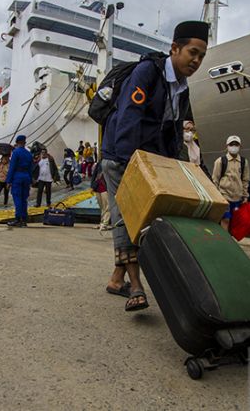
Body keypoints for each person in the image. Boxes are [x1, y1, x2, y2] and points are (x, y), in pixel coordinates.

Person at [101, 20, 209, 311]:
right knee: (128, 218)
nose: (197, 61)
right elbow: (129, 116)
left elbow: (173, 132)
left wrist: (183, 168)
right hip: (120, 157)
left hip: (147, 159)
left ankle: (116, 280)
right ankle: (136, 285)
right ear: (175, 48)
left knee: (144, 220)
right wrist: (128, 165)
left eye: (201, 56)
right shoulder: (148, 71)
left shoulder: (182, 88)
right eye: (192, 53)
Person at [212, 135, 250, 231]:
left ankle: (230, 239)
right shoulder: (220, 161)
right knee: (226, 219)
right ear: (227, 146)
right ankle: (225, 242)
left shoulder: (243, 162)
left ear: (240, 146)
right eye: (231, 144)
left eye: (236, 144)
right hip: (224, 196)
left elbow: (245, 179)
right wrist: (217, 195)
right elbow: (215, 179)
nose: (234, 146)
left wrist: (245, 195)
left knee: (235, 221)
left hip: (237, 197)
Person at [6, 135, 33, 227]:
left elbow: (12, 167)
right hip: (26, 177)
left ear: (17, 143)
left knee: (17, 198)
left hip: (17, 176)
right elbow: (31, 168)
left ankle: (18, 219)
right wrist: (30, 180)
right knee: (24, 199)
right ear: (24, 143)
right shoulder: (29, 154)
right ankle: (24, 220)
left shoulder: (16, 152)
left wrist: (8, 181)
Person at [91, 161, 110, 231]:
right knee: (102, 207)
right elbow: (94, 174)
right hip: (98, 187)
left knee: (107, 206)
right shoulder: (99, 163)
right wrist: (92, 186)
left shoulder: (109, 162)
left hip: (105, 188)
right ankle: (102, 222)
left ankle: (105, 223)